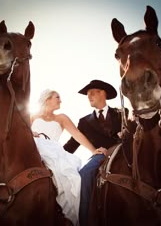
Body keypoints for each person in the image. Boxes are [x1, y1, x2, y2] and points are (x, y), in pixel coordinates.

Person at [30, 89, 106, 226]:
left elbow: (77, 134)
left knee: (73, 179)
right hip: (32, 147)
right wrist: (29, 133)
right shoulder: (32, 116)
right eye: (57, 97)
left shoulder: (62, 118)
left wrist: (94, 150)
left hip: (53, 151)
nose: (60, 100)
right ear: (47, 99)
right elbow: (19, 130)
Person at [63, 80, 125, 226]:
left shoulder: (122, 113)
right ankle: (85, 221)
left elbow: (134, 135)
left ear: (103, 93)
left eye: (92, 92)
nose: (88, 96)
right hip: (100, 156)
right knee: (84, 173)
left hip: (124, 154)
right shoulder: (84, 122)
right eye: (87, 94)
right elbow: (71, 145)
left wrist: (127, 134)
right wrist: (51, 150)